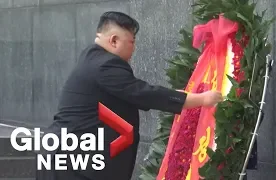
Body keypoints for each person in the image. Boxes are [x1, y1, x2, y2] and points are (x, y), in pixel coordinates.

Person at [36, 11, 223, 180]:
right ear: (114, 41)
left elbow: (135, 91)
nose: (133, 48)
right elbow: (144, 93)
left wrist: (181, 95)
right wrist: (202, 99)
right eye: (131, 42)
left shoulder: (92, 57)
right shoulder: (105, 64)